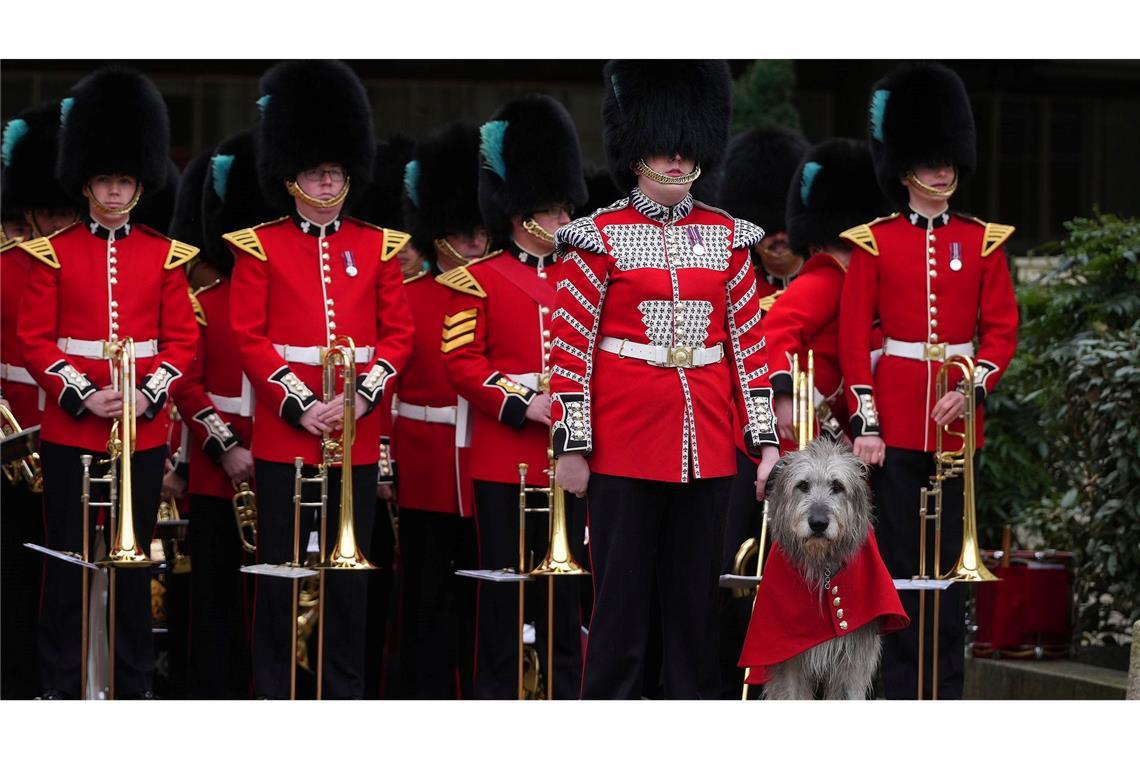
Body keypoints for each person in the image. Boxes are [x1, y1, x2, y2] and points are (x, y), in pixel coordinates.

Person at [551, 60, 780, 699]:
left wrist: (765, 447)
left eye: (686, 152)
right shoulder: (597, 238)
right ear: (637, 153)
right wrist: (571, 446)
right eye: (663, 151)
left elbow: (750, 351)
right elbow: (570, 351)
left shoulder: (729, 239)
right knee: (620, 608)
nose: (677, 163)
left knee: (692, 613)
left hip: (706, 449)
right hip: (623, 446)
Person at [225, 60, 414, 700]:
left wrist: (357, 399)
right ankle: (276, 693)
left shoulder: (379, 246)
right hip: (288, 435)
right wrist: (301, 404)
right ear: (291, 177)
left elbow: (399, 336)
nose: (327, 178)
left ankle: (344, 695)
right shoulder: (260, 246)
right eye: (315, 170)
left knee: (348, 577)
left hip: (354, 437)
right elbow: (249, 335)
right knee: (282, 574)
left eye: (334, 169)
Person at [17, 67, 199, 699]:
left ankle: (134, 682)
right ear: (86, 182)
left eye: (125, 179)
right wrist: (82, 393)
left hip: (142, 432)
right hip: (73, 426)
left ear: (139, 183)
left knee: (132, 562)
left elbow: (183, 341)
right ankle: (60, 685)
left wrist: (149, 393)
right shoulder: (54, 252)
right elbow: (35, 340)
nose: (116, 191)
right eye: (105, 179)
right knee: (66, 564)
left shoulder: (164, 254)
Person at [838, 62, 1019, 699]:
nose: (943, 172)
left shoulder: (983, 242)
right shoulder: (875, 243)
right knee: (898, 568)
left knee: (948, 569)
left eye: (949, 161)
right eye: (930, 160)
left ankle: (945, 691)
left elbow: (1000, 333)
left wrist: (969, 388)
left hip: (956, 425)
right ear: (904, 165)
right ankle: (896, 690)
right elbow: (854, 340)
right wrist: (869, 424)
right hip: (893, 426)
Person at [439, 93, 587, 699]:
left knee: (563, 595)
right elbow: (460, 362)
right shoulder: (477, 280)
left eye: (563, 210)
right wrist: (523, 402)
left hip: (570, 456)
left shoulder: (585, 279)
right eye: (550, 212)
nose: (561, 222)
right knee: (501, 596)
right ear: (521, 213)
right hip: (506, 456)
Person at [171, 130, 276, 698]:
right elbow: (185, 384)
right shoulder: (205, 307)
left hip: (286, 471)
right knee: (217, 605)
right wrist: (226, 446)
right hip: (220, 477)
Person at [387, 122, 486, 698]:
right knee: (423, 600)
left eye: (481, 233)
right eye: (462, 234)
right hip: (422, 470)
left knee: (480, 602)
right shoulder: (407, 298)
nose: (475, 245)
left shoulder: (501, 292)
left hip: (483, 470)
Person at [712, 124, 810, 697]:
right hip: (734, 445)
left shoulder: (821, 281)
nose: (777, 238)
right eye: (767, 230)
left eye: (785, 228)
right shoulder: (733, 279)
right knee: (732, 575)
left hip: (802, 455)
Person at [0, 98, 83, 699]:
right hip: (8, 456)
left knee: (69, 583)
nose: (54, 224)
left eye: (63, 211)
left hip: (73, 450)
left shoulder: (92, 267)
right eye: (45, 212)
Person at [767, 137, 893, 447]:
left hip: (835, 434)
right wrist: (784, 396)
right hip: (801, 430)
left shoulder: (867, 289)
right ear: (818, 246)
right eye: (847, 249)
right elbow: (775, 333)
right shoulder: (827, 279)